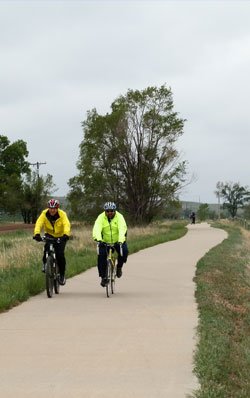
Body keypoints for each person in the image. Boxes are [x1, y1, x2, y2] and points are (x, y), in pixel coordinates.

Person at [33, 198, 71, 286]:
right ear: (48, 208)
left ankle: (61, 274)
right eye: (50, 208)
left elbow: (66, 224)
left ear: (57, 208)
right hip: (49, 234)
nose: (52, 210)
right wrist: (37, 234)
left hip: (61, 236)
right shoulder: (44, 214)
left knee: (60, 254)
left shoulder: (62, 214)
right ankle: (45, 264)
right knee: (46, 248)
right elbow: (39, 223)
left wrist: (66, 235)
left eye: (54, 208)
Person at [93, 201, 129, 287]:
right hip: (105, 241)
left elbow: (122, 229)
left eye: (111, 211)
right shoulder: (100, 217)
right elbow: (97, 228)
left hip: (118, 240)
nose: (109, 213)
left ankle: (119, 267)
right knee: (101, 257)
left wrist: (120, 241)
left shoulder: (120, 217)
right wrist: (99, 240)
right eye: (107, 211)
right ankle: (103, 277)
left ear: (115, 211)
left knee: (124, 251)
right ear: (105, 211)